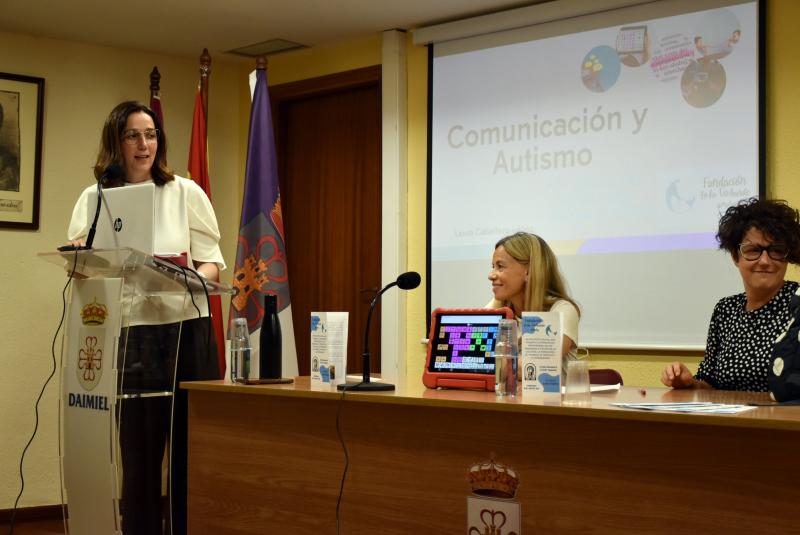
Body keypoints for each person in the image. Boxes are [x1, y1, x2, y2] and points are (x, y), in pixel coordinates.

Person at [66, 101, 225, 534]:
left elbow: (212, 265)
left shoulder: (186, 192)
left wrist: (184, 276)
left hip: (187, 332)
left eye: (151, 134)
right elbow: (80, 265)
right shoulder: (94, 197)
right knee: (138, 456)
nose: (144, 144)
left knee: (190, 453)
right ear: (116, 142)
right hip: (132, 335)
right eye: (133, 135)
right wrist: (81, 259)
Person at [662, 198, 800, 391]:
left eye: (776, 250)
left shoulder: (798, 303)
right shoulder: (725, 310)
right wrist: (687, 382)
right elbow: (709, 384)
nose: (765, 261)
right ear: (736, 257)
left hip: (783, 420)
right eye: (753, 250)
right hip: (728, 420)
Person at [486, 231, 580, 355]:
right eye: (493, 266)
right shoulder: (500, 311)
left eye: (500, 266)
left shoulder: (562, 310)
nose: (491, 275)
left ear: (529, 272)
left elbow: (534, 366)